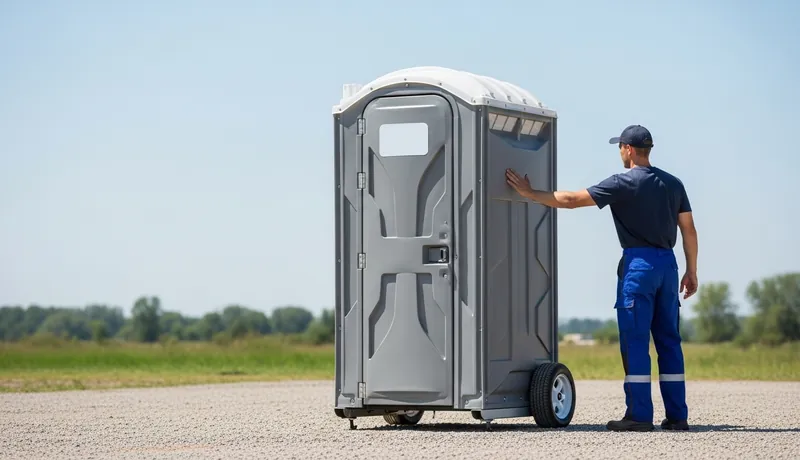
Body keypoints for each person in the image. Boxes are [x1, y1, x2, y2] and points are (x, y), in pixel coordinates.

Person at [505, 124, 698, 432]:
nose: (619, 152)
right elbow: (688, 229)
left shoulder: (623, 183)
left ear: (628, 149)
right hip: (669, 266)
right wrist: (691, 270)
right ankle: (677, 417)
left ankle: (639, 416)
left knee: (636, 342)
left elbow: (571, 200)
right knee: (669, 343)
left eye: (620, 147)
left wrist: (530, 193)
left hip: (639, 267)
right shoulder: (673, 184)